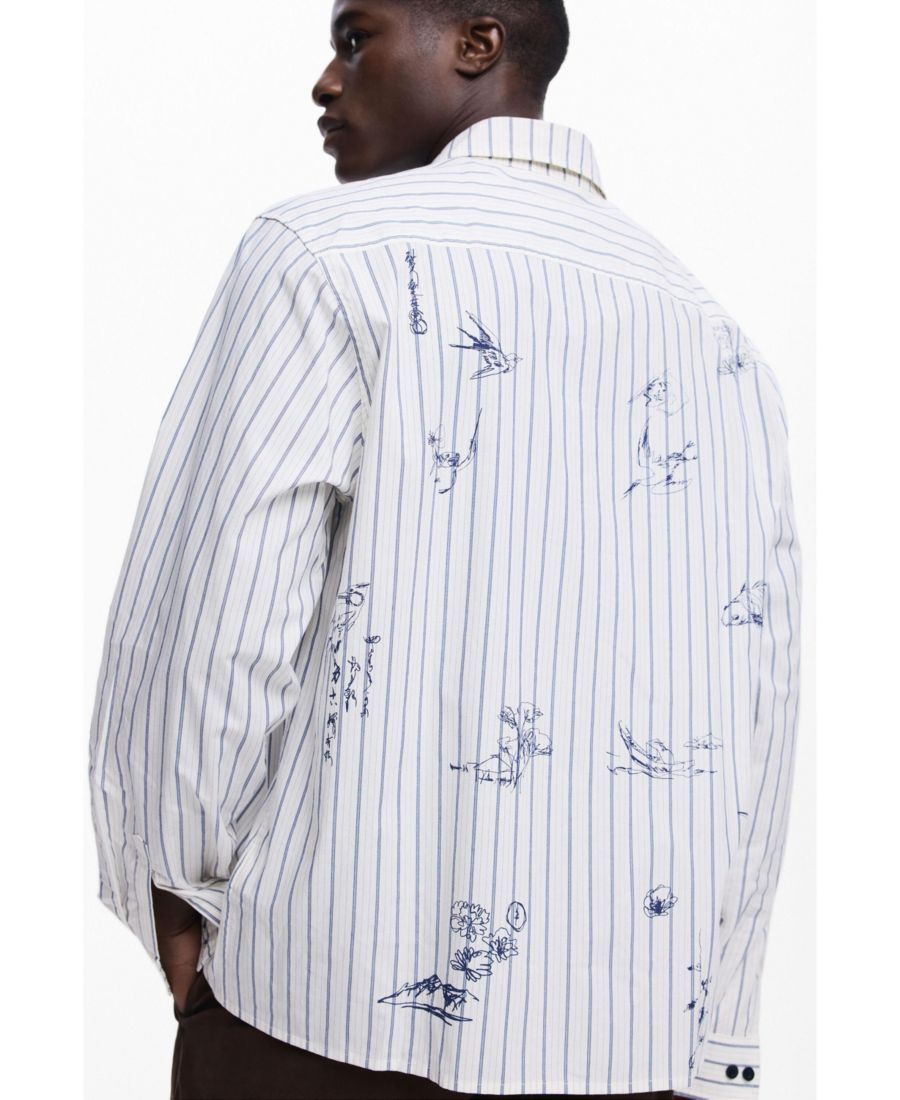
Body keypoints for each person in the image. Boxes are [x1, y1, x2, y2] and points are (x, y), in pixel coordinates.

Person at [87, 1, 802, 1098]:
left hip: (318, 1021)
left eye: (356, 37)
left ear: (479, 44)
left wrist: (175, 888)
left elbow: (215, 618)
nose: (327, 80)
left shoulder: (322, 256)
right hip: (633, 1047)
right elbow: (762, 703)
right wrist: (721, 1028)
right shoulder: (720, 341)